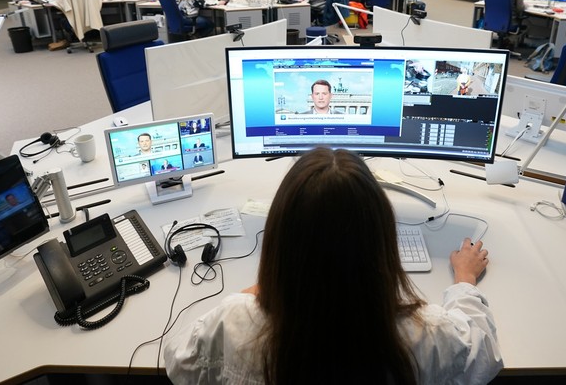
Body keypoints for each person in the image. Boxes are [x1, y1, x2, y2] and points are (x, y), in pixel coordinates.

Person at [164, 147, 503, 384]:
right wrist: (465, 279)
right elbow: (482, 353)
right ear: (381, 242)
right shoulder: (428, 333)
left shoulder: (233, 319)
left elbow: (178, 361)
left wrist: (254, 296)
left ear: (280, 240)